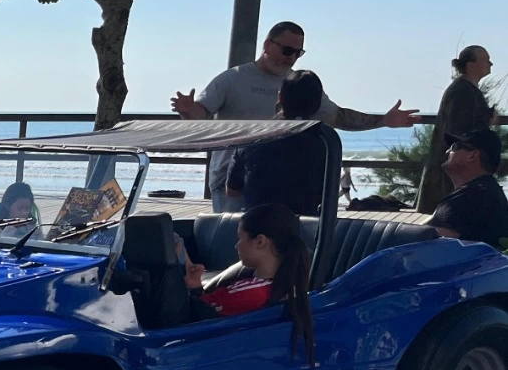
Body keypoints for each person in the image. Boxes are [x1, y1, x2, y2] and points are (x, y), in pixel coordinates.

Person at [172, 21, 416, 211]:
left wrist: (383, 121)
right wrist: (189, 112)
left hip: (282, 187)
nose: (291, 57)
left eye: (298, 53)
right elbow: (202, 115)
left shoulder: (299, 83)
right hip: (230, 182)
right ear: (268, 45)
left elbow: (338, 117)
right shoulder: (232, 78)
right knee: (231, 249)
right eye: (287, 49)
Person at [183, 202, 316, 363]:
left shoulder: (251, 293)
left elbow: (194, 313)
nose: (236, 246)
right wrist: (196, 285)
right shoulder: (281, 288)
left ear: (260, 242)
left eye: (240, 238)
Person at [223, 69, 331, 216]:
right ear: (318, 103)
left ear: (280, 97)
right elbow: (328, 192)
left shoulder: (254, 137)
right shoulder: (325, 142)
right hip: (305, 227)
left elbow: (232, 190)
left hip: (256, 225)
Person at [417, 46, 496, 212]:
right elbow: (458, 131)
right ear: (470, 64)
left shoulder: (466, 89)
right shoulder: (462, 91)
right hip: (457, 168)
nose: (490, 63)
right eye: (485, 59)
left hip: (460, 167)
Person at [429, 128, 508, 246]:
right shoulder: (487, 190)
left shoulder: (471, 196)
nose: (447, 151)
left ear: (473, 155)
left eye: (455, 147)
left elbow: (432, 241)